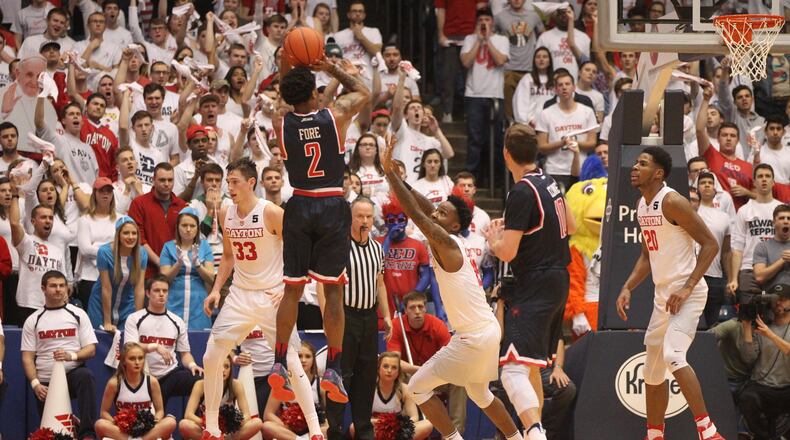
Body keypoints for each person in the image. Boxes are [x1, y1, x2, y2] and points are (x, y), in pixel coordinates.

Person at [381, 132, 524, 440]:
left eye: (442, 213)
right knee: (480, 394)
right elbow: (425, 206)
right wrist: (398, 180)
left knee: (418, 387)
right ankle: (517, 438)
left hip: (474, 336)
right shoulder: (451, 236)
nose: (436, 212)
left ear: (455, 224)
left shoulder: (445, 241)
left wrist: (392, 174)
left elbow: (417, 214)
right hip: (485, 330)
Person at [270, 50, 371, 404]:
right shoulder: (335, 116)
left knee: (292, 291)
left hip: (298, 204)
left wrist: (289, 62)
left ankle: (280, 361)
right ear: (315, 93)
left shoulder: (279, 122)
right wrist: (331, 67)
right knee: (333, 292)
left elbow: (286, 92)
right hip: (330, 204)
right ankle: (335, 368)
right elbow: (363, 91)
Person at [202, 158, 325, 439]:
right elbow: (229, 256)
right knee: (211, 355)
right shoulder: (225, 212)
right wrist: (215, 289)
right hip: (239, 295)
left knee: (292, 362)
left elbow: (300, 251)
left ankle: (316, 431)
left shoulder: (271, 212)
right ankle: (211, 428)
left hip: (272, 295)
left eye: (234, 182)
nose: (229, 187)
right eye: (227, 182)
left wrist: (287, 287)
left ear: (251, 183)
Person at [615, 146, 725, 440]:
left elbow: (711, 244)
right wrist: (627, 286)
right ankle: (654, 434)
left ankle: (707, 430)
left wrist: (688, 286)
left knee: (674, 355)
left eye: (642, 164)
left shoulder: (673, 201)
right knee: (652, 370)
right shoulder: (641, 205)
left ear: (659, 173)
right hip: (663, 298)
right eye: (635, 163)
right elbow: (645, 256)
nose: (634, 168)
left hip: (688, 294)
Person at [483, 124, 574, 440]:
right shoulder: (550, 182)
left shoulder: (521, 191)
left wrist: (495, 239)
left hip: (534, 283)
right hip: (559, 279)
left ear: (506, 154)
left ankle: (534, 435)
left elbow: (507, 252)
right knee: (532, 366)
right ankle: (538, 431)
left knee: (510, 370)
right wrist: (514, 226)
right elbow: (570, 224)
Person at [326, 197, 392, 440]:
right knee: (340, 376)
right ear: (350, 218)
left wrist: (386, 315)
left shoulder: (377, 248)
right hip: (345, 317)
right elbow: (329, 288)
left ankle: (364, 431)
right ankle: (334, 432)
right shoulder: (340, 246)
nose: (364, 221)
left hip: (369, 319)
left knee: (365, 378)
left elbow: (380, 283)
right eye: (359, 216)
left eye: (368, 216)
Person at [21, 270, 98, 440]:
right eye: (53, 286)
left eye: (62, 285)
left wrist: (71, 356)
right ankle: (72, 425)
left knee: (86, 376)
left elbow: (91, 349)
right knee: (52, 433)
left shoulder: (78, 314)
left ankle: (87, 434)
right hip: (46, 383)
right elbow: (27, 357)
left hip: (72, 374)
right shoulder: (33, 320)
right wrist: (35, 384)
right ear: (43, 288)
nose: (58, 289)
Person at [124, 275, 204, 406]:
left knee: (202, 381)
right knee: (151, 416)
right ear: (148, 293)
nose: (161, 294)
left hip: (170, 374)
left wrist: (192, 365)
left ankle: (194, 420)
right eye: (156, 291)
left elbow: (184, 353)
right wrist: (154, 346)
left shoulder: (177, 321)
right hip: (142, 375)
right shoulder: (134, 318)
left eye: (165, 291)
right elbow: (129, 347)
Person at [460, 7, 509, 181]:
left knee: (496, 139)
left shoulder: (502, 40)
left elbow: (501, 60)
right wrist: (478, 41)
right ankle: (472, 177)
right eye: (481, 20)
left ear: (493, 23)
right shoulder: (469, 39)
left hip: (495, 95)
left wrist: (488, 41)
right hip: (473, 94)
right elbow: (466, 62)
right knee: (475, 138)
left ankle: (496, 178)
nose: (484, 23)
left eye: (487, 20)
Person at [737, 284, 790, 440]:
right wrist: (747, 327)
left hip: (787, 387)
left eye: (784, 299)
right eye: (775, 299)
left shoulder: (766, 330)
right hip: (762, 386)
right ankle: (764, 437)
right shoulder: (762, 325)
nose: (779, 303)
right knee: (747, 398)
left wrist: (770, 335)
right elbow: (748, 359)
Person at [94, 342, 177, 440]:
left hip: (147, 429)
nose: (137, 362)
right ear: (124, 361)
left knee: (171, 422)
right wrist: (118, 423)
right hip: (124, 430)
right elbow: (104, 412)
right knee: (99, 424)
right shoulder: (114, 383)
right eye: (132, 358)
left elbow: (160, 411)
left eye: (141, 358)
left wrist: (154, 422)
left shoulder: (151, 382)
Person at [179, 354, 265, 440]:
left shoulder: (236, 385)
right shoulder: (201, 385)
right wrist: (207, 422)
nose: (223, 370)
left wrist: (233, 424)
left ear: (230, 369)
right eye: (219, 366)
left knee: (257, 422)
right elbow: (188, 414)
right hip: (206, 429)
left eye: (227, 366)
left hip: (228, 432)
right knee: (184, 424)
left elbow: (247, 415)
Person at [728, 164, 783, 299]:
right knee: (748, 314)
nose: (764, 179)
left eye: (767, 176)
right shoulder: (744, 211)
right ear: (754, 182)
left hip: (776, 267)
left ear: (773, 182)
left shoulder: (782, 209)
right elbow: (737, 248)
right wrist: (734, 278)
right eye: (760, 176)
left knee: (777, 315)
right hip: (748, 268)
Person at [87, 216, 146, 331]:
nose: (131, 237)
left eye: (134, 233)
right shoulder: (105, 252)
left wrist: (138, 319)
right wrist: (107, 322)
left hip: (127, 304)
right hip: (101, 304)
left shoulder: (142, 253)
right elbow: (106, 288)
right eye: (126, 233)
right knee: (101, 342)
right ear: (118, 235)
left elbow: (139, 288)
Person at [128, 162, 187, 278]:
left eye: (170, 180)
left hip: (175, 272)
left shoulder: (182, 206)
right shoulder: (139, 203)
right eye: (162, 180)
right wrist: (160, 262)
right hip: (146, 272)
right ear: (153, 179)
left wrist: (173, 265)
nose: (167, 184)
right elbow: (138, 238)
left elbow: (186, 239)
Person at [159, 207, 215, 330]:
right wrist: (178, 264)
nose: (188, 229)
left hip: (198, 301)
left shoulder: (205, 246)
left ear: (197, 228)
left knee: (198, 340)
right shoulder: (168, 247)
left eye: (192, 226)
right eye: (184, 225)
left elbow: (211, 278)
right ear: (177, 227)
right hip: (174, 299)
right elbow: (163, 279)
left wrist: (198, 265)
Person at [262, 341, 328, 440]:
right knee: (267, 426)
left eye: (308, 356)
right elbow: (268, 414)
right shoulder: (280, 381)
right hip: (288, 431)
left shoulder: (321, 384)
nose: (303, 360)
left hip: (312, 430)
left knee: (330, 429)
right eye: (299, 356)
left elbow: (328, 415)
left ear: (314, 359)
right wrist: (285, 426)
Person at [360, 352, 433, 439]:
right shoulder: (369, 389)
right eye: (385, 366)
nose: (389, 371)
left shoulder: (405, 389)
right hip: (377, 429)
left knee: (427, 425)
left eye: (394, 367)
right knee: (354, 427)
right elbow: (362, 419)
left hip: (398, 431)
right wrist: (384, 423)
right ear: (378, 368)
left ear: (398, 372)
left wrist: (398, 424)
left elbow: (414, 417)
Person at [692, 173, 733, 328]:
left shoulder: (724, 217)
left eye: (710, 182)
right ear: (697, 188)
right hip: (692, 274)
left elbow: (726, 251)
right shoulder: (691, 211)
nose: (707, 185)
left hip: (715, 277)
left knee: (711, 324)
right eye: (703, 182)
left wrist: (729, 279)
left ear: (716, 190)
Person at [76, 177, 117, 309]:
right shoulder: (85, 220)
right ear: (95, 194)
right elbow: (85, 249)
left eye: (109, 191)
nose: (105, 194)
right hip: (90, 277)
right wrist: (109, 249)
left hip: (113, 276)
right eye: (101, 191)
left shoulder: (121, 219)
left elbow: (123, 249)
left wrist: (96, 246)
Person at [753, 204, 790, 288]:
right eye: (781, 218)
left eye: (789, 218)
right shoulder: (762, 247)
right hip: (773, 296)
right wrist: (782, 260)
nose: (786, 221)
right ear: (774, 222)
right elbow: (759, 277)